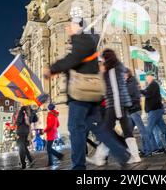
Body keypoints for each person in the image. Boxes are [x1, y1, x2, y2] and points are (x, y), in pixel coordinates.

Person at [44, 17, 130, 170]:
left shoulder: (82, 39)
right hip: (91, 93)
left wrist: (53, 68)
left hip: (81, 93)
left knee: (75, 127)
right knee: (97, 127)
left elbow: (74, 59)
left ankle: (78, 166)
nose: (67, 29)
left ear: (78, 25)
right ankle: (121, 153)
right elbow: (76, 59)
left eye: (69, 25)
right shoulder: (86, 40)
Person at [87, 49, 141, 166]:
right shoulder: (118, 67)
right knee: (126, 131)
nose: (102, 61)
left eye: (103, 59)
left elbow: (115, 89)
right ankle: (135, 156)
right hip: (121, 104)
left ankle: (100, 157)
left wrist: (117, 109)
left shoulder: (112, 70)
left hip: (115, 104)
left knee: (105, 131)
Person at [141, 71, 166, 154]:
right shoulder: (151, 85)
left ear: (151, 77)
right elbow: (147, 92)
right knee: (164, 130)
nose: (146, 78)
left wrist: (139, 91)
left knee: (148, 130)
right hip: (156, 110)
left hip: (154, 111)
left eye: (147, 76)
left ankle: (148, 149)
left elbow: (148, 94)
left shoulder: (153, 84)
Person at [125, 68, 156, 157]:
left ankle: (148, 150)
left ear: (127, 74)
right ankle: (133, 151)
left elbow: (132, 97)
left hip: (134, 110)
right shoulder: (129, 82)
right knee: (128, 132)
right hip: (131, 111)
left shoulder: (131, 83)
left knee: (142, 131)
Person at [44, 103, 64, 167]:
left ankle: (58, 156)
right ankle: (51, 161)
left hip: (50, 133)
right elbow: (58, 124)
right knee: (49, 148)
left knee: (48, 148)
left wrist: (44, 130)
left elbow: (50, 125)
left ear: (49, 108)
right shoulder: (55, 115)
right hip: (54, 132)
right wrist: (54, 128)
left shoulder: (50, 115)